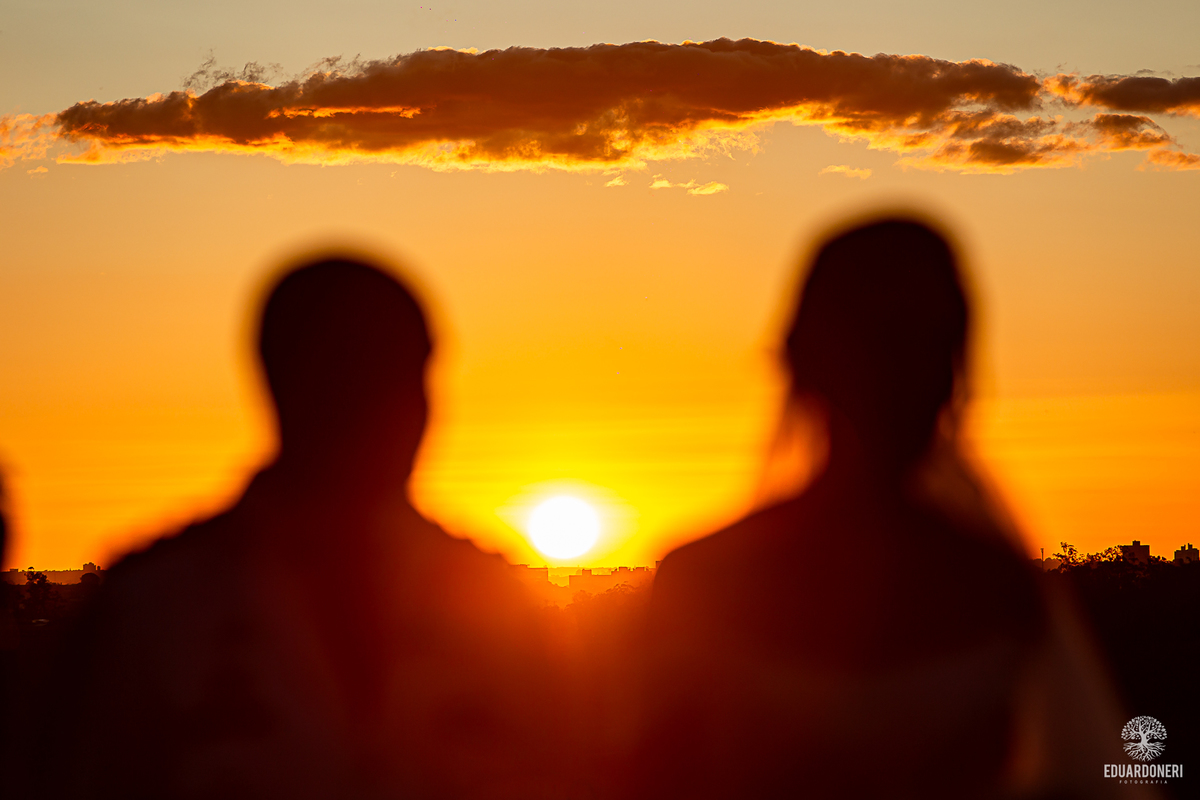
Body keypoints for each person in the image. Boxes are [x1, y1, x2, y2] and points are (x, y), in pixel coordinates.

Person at [635, 219, 1142, 799]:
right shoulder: (701, 582)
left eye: (932, 346)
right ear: (811, 363)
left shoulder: (999, 589)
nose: (906, 380)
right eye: (880, 342)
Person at [34, 257, 567, 800]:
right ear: (288, 381)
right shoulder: (152, 613)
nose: (408, 408)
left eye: (413, 375)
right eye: (362, 373)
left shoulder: (496, 603)